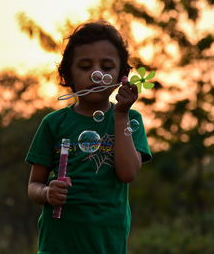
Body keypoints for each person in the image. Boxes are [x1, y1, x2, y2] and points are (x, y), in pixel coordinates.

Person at [26, 21, 152, 254]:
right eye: (85, 67)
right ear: (67, 74)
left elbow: (128, 174)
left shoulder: (130, 119)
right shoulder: (53, 124)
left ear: (122, 76)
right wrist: (47, 193)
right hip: (58, 246)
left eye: (107, 67)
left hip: (107, 246)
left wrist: (121, 115)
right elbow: (34, 186)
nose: (97, 75)